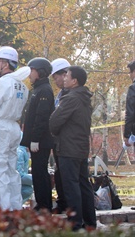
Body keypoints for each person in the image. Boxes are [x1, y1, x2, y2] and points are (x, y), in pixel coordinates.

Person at [49, 66, 96, 231]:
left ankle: (75, 224)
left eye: (67, 75)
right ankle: (90, 222)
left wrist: (55, 130)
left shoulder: (70, 98)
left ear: (74, 81)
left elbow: (54, 122)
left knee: (71, 187)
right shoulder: (84, 97)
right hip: (81, 148)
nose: (64, 78)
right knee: (84, 185)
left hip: (68, 148)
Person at [0, 46, 29, 211]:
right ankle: (15, 205)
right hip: (13, 127)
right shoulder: (22, 86)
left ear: (4, 63)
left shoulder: (3, 82)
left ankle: (4, 209)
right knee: (12, 169)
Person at [20, 57, 54, 212]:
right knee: (38, 173)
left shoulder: (44, 90)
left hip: (40, 141)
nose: (29, 74)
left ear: (39, 72)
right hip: (38, 140)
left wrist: (35, 139)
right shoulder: (39, 89)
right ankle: (42, 203)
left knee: (40, 173)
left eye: (31, 70)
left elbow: (42, 117)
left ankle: (44, 205)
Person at [50, 57, 71, 214]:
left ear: (64, 74)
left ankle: (70, 206)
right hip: (59, 141)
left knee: (68, 176)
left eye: (55, 77)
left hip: (68, 143)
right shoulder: (61, 94)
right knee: (59, 174)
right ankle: (63, 202)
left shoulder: (70, 95)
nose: (55, 81)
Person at [17, 138, 33, 205]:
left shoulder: (22, 151)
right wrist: (37, 180)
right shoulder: (20, 152)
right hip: (16, 184)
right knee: (27, 190)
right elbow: (19, 175)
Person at [124, 60, 135, 146]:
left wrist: (127, 134)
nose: (130, 75)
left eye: (130, 72)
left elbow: (130, 113)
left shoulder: (133, 88)